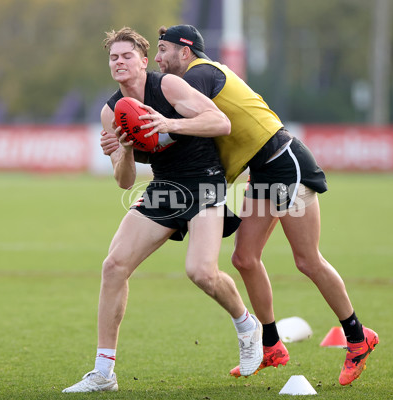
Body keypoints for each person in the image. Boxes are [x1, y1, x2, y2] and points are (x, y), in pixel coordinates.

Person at [148, 24, 379, 386]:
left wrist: (154, 130)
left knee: (307, 260)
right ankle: (271, 345)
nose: (157, 58)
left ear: (185, 51)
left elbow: (196, 124)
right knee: (244, 258)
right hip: (263, 169)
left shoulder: (199, 73)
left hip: (286, 161)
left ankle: (357, 337)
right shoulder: (194, 77)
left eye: (163, 49)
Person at [62, 26, 263, 393]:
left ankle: (248, 327)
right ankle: (104, 373)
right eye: (113, 57)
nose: (119, 62)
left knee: (201, 272)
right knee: (113, 266)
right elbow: (124, 181)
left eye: (127, 56)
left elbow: (221, 122)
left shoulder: (168, 86)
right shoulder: (111, 112)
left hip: (204, 180)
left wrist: (168, 122)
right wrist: (122, 149)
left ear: (142, 61)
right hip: (165, 187)